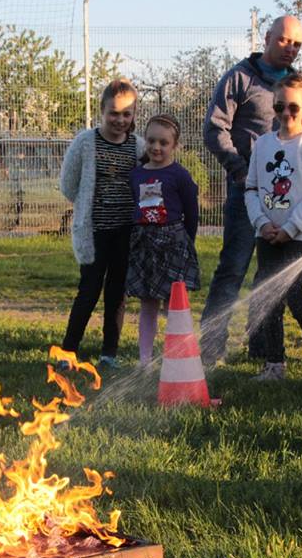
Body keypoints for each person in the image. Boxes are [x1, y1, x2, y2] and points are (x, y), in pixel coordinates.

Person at [199, 15, 302, 365]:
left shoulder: (297, 86)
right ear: (267, 37)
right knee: (233, 268)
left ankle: (262, 348)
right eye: (284, 40)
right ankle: (211, 348)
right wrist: (242, 171)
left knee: (271, 276)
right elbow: (215, 129)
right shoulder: (240, 77)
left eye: (297, 44)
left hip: (287, 199)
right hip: (247, 194)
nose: (290, 48)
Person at [245, 74, 302, 383]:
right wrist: (263, 223)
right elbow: (252, 189)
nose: (286, 114)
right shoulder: (263, 145)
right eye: (280, 106)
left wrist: (292, 227)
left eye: (293, 107)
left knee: (298, 298)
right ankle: (275, 365)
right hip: (268, 234)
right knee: (267, 298)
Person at [59, 78, 145, 368]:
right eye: (114, 113)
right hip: (94, 232)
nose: (120, 120)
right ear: (102, 110)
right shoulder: (86, 142)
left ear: (134, 115)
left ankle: (109, 354)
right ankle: (68, 351)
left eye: (126, 114)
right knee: (89, 289)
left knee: (117, 292)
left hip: (126, 233)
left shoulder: (138, 146)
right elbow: (68, 184)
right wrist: (87, 203)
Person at [125, 114, 201, 368]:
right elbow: (133, 207)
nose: (157, 147)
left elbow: (192, 212)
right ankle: (145, 359)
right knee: (148, 303)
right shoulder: (135, 175)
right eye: (152, 141)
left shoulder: (179, 175)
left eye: (164, 143)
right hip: (144, 245)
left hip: (172, 244)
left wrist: (187, 240)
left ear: (174, 146)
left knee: (174, 304)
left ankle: (179, 357)